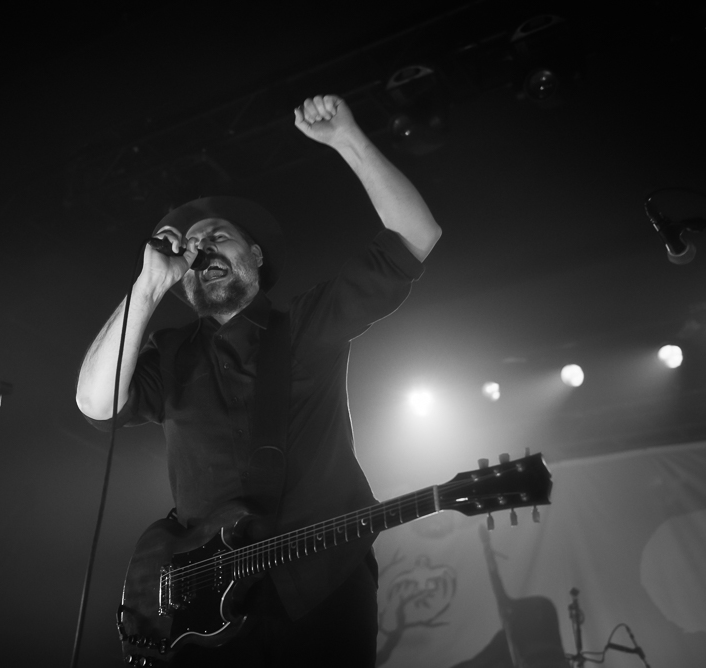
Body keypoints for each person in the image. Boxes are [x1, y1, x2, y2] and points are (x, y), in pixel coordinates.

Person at [77, 94, 441, 667]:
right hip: (198, 610)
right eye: (191, 245)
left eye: (217, 236)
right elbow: (96, 404)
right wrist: (147, 287)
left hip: (320, 588)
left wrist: (347, 139)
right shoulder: (169, 354)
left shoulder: (306, 325)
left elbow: (415, 235)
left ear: (254, 253)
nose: (200, 247)